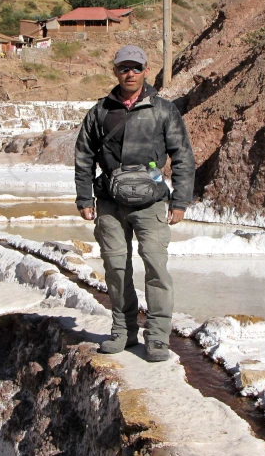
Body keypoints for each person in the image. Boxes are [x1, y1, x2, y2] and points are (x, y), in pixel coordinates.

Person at [74, 45, 195, 362]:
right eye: (124, 68)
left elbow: (182, 157)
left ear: (145, 70)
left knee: (156, 268)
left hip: (151, 203)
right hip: (110, 204)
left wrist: (180, 199)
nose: (130, 73)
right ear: (115, 71)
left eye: (136, 68)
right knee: (115, 267)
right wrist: (84, 197)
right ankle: (123, 331)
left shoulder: (164, 110)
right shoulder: (99, 112)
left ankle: (157, 338)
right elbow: (84, 157)